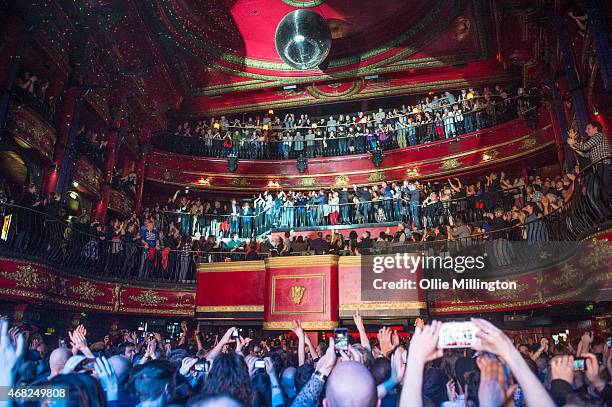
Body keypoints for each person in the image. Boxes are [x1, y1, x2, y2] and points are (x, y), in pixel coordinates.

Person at [568, 121, 611, 201]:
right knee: (603, 188)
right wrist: (573, 146)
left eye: (588, 128)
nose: (586, 131)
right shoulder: (595, 140)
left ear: (596, 128)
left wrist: (573, 143)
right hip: (599, 166)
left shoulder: (598, 135)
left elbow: (585, 147)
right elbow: (586, 155)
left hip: (603, 164)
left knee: (606, 186)